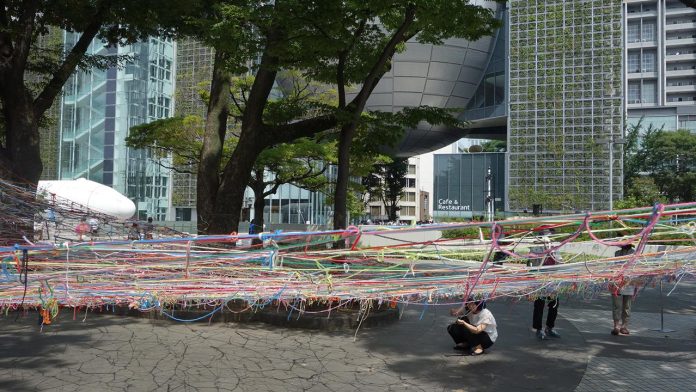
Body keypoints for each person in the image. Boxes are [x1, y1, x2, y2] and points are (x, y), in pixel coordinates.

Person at [530, 236, 562, 340]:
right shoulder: (536, 248)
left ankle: (550, 327)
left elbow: (559, 260)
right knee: (539, 305)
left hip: (552, 280)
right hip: (540, 280)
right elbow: (532, 262)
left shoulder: (554, 247)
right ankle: (539, 329)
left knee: (554, 304)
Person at [612, 243, 636, 336]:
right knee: (616, 305)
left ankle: (624, 326)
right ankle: (616, 326)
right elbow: (615, 267)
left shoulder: (634, 253)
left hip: (629, 283)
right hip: (617, 283)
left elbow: (635, 268)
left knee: (627, 306)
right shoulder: (617, 253)